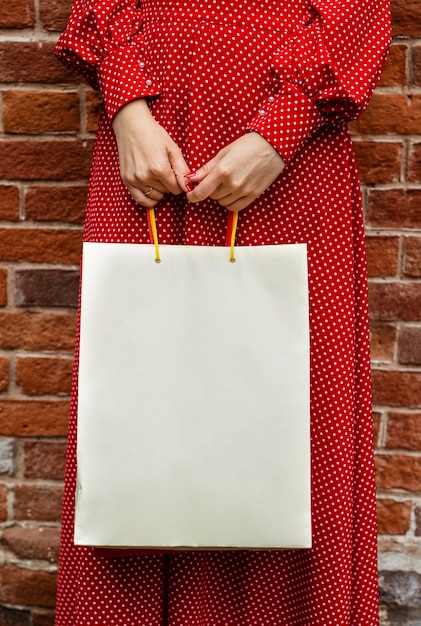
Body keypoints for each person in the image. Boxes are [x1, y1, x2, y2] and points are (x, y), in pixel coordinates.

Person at [54, 1, 391, 624]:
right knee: (133, 400)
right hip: (150, 148)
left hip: (288, 156)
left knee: (285, 407)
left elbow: (360, 11)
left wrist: (280, 130)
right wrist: (128, 108)